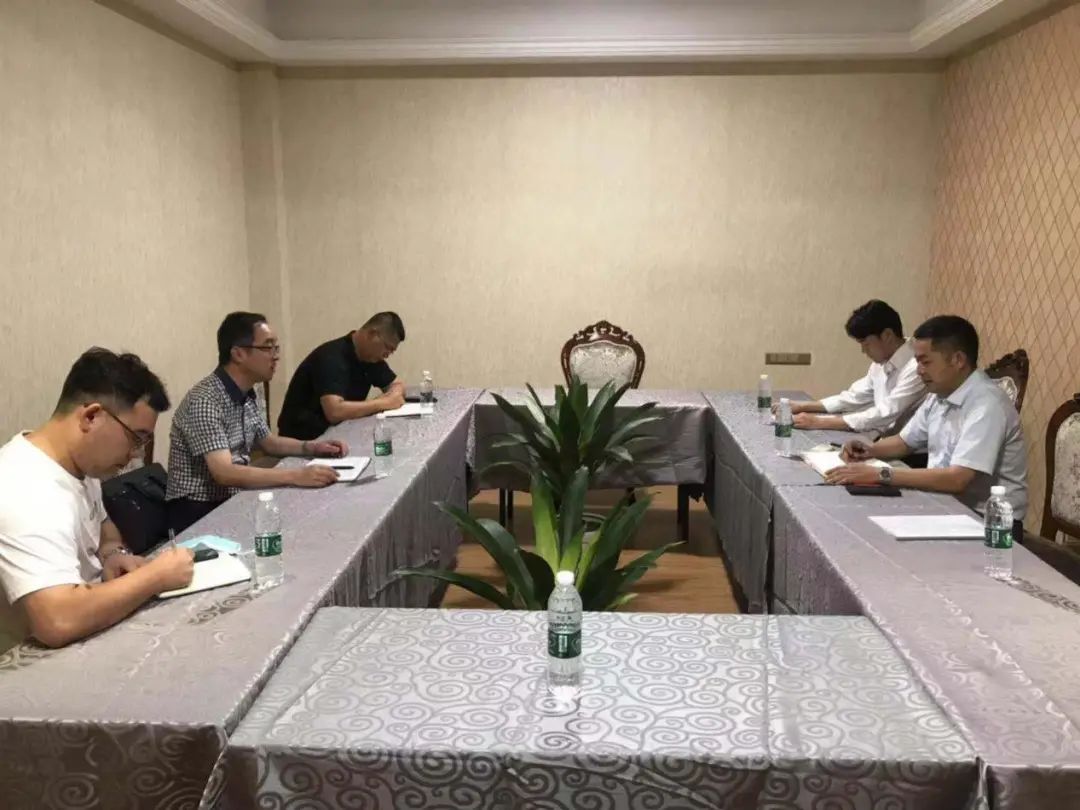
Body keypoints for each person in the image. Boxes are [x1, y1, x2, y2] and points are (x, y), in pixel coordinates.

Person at [0, 349, 195, 651]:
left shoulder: (81, 465)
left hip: (92, 625)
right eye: (136, 438)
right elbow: (57, 620)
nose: (136, 455)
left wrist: (112, 553)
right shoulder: (24, 486)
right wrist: (156, 576)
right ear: (91, 417)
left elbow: (104, 527)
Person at [826, 315, 1028, 524]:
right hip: (945, 504)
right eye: (917, 362)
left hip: (990, 523)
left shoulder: (987, 404)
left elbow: (957, 479)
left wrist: (881, 474)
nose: (919, 371)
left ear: (958, 360)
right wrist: (868, 450)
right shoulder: (939, 394)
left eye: (926, 362)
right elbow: (904, 442)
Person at [166, 312, 349, 534]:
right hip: (198, 512)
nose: (276, 357)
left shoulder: (246, 393)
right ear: (238, 354)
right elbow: (224, 473)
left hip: (232, 498)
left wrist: (312, 447)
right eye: (268, 347)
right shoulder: (205, 400)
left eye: (276, 348)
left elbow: (269, 442)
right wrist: (296, 475)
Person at [784, 300, 926, 436]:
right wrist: (803, 406)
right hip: (886, 440)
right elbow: (853, 398)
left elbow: (886, 413)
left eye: (866, 344)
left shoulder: (917, 367)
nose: (863, 351)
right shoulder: (880, 364)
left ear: (887, 335)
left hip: (908, 449)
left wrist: (818, 422)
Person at [277, 312, 407, 441]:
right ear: (372, 334)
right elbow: (334, 412)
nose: (388, 354)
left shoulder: (369, 357)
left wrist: (393, 395)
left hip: (339, 434)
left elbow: (398, 385)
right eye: (388, 348)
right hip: (304, 440)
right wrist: (383, 403)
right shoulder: (331, 357)